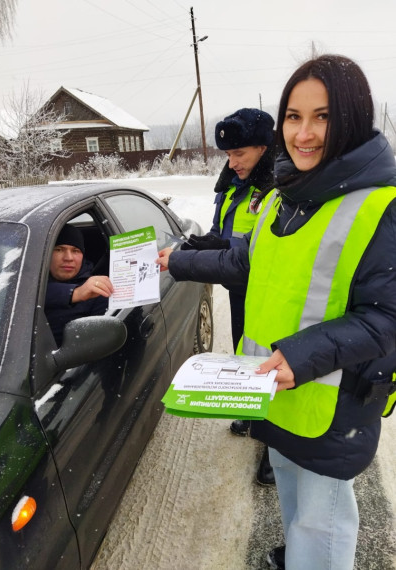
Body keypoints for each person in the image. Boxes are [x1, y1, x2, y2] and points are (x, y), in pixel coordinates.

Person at [156, 54, 396, 570]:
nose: (304, 133)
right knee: (293, 498)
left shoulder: (381, 205)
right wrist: (177, 260)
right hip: (273, 390)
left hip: (328, 404)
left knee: (322, 519)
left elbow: (386, 317)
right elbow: (246, 260)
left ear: (352, 118)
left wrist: (300, 356)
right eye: (293, 115)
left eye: (323, 116)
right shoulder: (286, 198)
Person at [181, 107, 276, 484]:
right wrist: (206, 243)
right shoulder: (235, 185)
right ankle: (253, 412)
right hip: (239, 290)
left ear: (264, 149)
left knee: (269, 364)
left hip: (267, 293)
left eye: (240, 154)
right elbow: (227, 234)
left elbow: (254, 255)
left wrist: (192, 261)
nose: (233, 162)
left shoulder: (276, 190)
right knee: (244, 354)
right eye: (229, 156)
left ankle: (273, 447)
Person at [45, 224, 113, 344]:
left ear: (82, 256)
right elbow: (27, 294)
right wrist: (75, 293)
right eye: (59, 249)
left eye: (76, 251)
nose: (68, 258)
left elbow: (97, 343)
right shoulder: (29, 281)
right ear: (47, 254)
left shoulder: (96, 291)